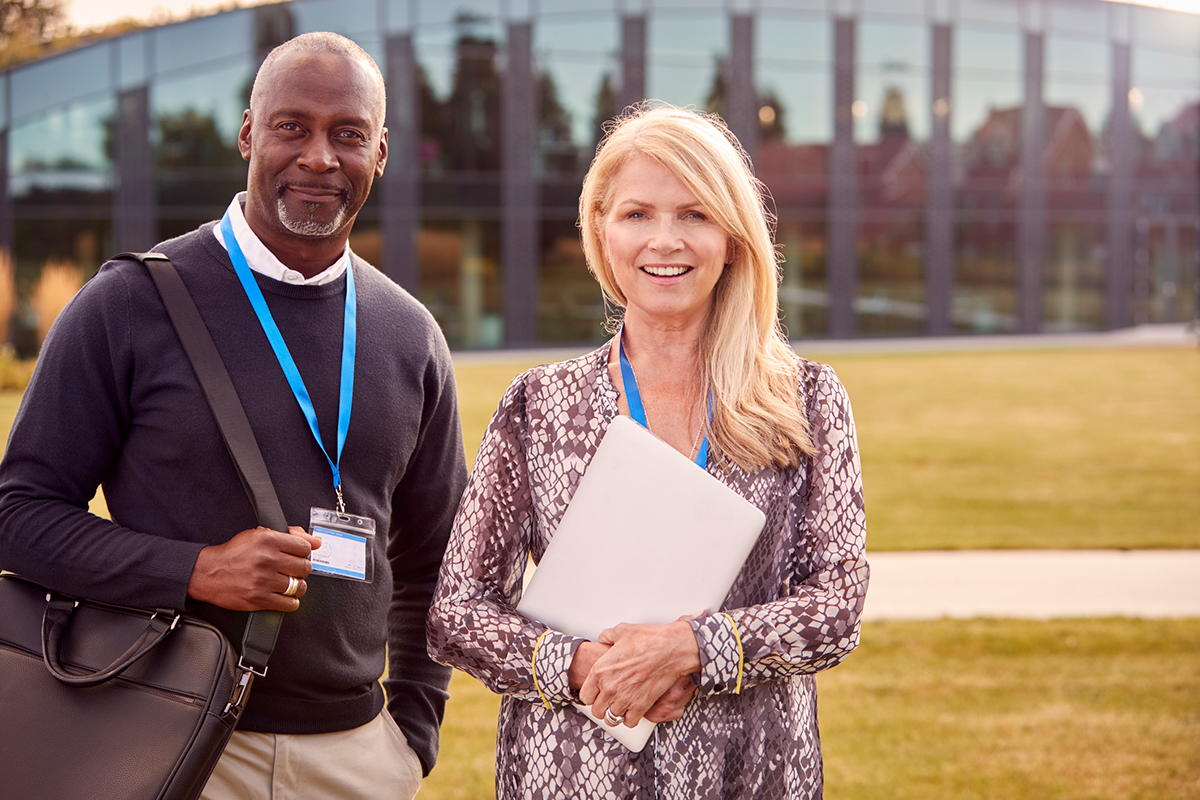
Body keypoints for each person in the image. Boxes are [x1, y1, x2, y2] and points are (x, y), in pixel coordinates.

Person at [0, 33, 467, 800]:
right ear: (249, 131)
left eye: (347, 134)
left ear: (380, 153)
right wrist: (196, 571)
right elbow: (18, 515)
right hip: (165, 738)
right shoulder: (128, 303)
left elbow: (438, 560)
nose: (319, 156)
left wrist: (411, 733)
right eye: (293, 126)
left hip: (358, 759)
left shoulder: (410, 333)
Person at [428, 103, 869, 799]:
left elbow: (837, 606)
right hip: (573, 772)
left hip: (748, 773)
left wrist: (691, 649)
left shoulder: (806, 400)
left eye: (694, 214)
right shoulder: (539, 405)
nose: (665, 240)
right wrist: (578, 666)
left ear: (732, 237)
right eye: (637, 215)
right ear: (601, 233)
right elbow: (458, 611)